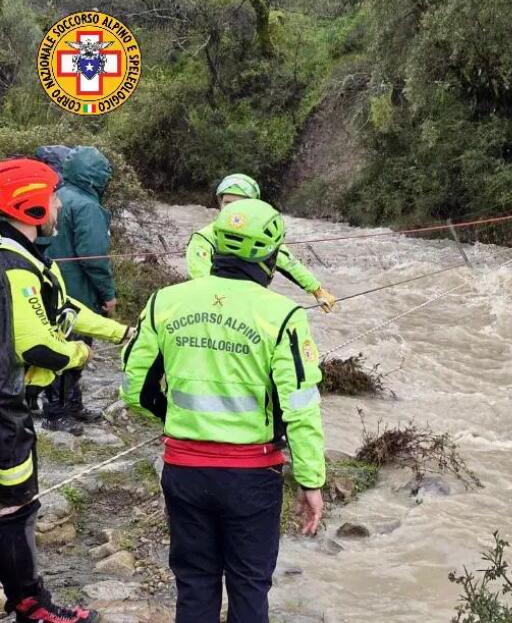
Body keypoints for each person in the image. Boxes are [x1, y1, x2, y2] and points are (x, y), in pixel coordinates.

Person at [123, 199, 326, 623]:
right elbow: (301, 406)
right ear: (270, 257)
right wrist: (310, 480)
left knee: (194, 583)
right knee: (250, 584)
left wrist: (176, 423)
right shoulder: (284, 315)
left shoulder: (166, 301)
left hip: (183, 470)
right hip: (251, 478)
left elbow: (135, 390)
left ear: (215, 246)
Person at [1, 157, 132, 623]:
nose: (59, 204)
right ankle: (33, 607)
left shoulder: (29, 257)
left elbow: (65, 307)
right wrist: (78, 355)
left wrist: (119, 333)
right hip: (3, 409)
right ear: (31, 205)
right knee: (15, 507)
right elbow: (36, 342)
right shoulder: (13, 264)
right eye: (52, 196)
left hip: (11, 403)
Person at [41, 147, 118, 432]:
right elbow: (94, 257)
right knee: (72, 351)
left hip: (52, 288)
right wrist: (108, 295)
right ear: (97, 178)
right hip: (79, 294)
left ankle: (72, 405)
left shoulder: (57, 197)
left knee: (62, 348)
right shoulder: (88, 207)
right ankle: (56, 411)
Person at [186, 174, 337, 313]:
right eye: (227, 203)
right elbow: (201, 281)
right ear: (220, 203)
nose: (233, 210)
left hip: (249, 308)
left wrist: (317, 291)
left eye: (241, 204)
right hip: (216, 310)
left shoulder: (263, 237)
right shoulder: (203, 238)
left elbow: (289, 263)